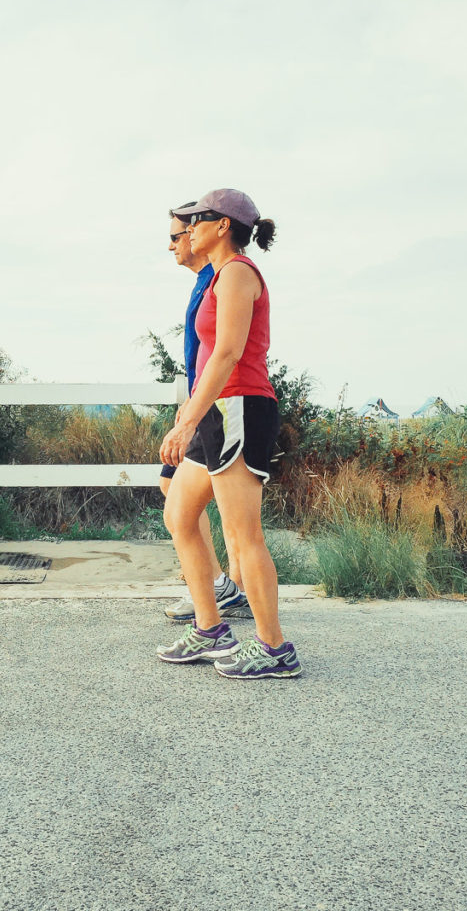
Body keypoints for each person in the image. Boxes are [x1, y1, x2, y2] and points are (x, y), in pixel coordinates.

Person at [156, 188, 302, 680]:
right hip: (219, 409)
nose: (189, 226)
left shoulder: (239, 272)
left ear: (223, 226)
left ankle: (275, 648)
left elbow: (227, 354)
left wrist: (188, 419)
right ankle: (210, 629)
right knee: (179, 513)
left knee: (245, 534)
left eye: (199, 218)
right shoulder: (217, 276)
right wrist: (194, 417)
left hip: (239, 405)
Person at [161, 204, 250, 621]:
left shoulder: (228, 275)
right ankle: (216, 602)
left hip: (226, 404)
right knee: (178, 502)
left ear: (219, 227)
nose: (177, 242)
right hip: (206, 403)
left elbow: (227, 352)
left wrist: (194, 412)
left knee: (239, 524)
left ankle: (261, 631)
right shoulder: (209, 280)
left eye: (181, 234)